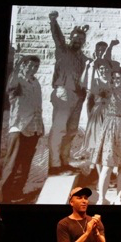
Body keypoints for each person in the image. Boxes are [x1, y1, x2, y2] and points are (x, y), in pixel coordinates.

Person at [47, 11, 89, 174]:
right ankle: (54, 165)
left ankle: (64, 161)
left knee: (71, 131)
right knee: (59, 129)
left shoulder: (83, 57)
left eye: (81, 39)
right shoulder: (63, 50)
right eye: (75, 37)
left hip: (78, 96)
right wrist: (53, 21)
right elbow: (57, 37)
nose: (78, 40)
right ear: (70, 37)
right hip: (64, 92)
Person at [91, 68, 121, 205]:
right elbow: (92, 89)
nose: (116, 80)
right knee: (107, 165)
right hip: (110, 128)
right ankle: (101, 198)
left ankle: (119, 197)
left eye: (119, 78)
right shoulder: (107, 91)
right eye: (114, 78)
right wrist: (92, 71)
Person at [0, 55, 44, 203]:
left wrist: (40, 126)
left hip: (34, 128)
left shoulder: (36, 83)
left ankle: (17, 192)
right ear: (23, 66)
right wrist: (17, 66)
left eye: (36, 67)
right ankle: (4, 197)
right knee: (12, 163)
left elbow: (38, 106)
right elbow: (10, 88)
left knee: (25, 164)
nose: (33, 69)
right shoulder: (17, 80)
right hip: (19, 127)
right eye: (30, 66)